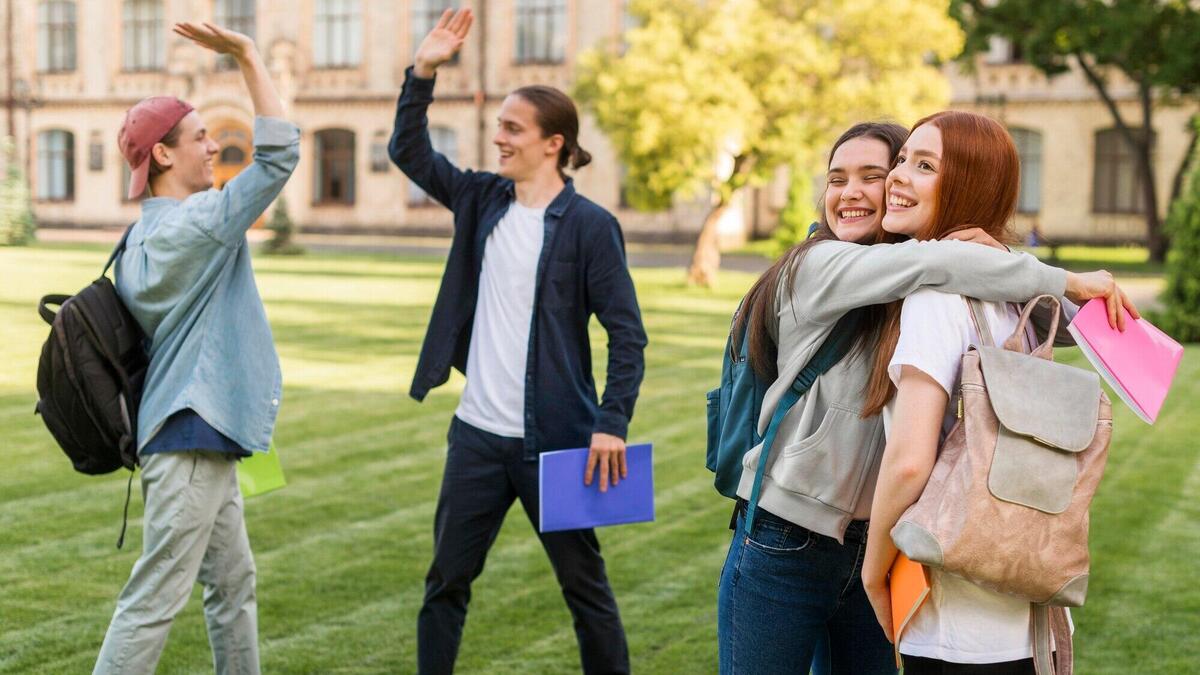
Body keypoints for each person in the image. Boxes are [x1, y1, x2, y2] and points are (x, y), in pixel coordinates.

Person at [716, 120, 1135, 675]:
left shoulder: (917, 282)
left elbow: (1051, 327)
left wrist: (994, 259)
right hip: (786, 541)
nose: (855, 192)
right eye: (837, 178)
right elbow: (933, 262)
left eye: (875, 173)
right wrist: (1063, 278)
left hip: (883, 543)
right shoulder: (816, 265)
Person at [392, 9, 647, 674]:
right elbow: (409, 152)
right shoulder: (481, 199)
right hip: (476, 436)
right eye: (499, 126)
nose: (498, 138)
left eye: (512, 128)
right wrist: (423, 71)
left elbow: (628, 336)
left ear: (553, 143)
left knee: (585, 591)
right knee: (445, 582)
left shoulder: (591, 227)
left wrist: (611, 423)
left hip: (558, 442)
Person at [860, 111, 1117, 674]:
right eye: (903, 159)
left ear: (966, 187)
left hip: (952, 614)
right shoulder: (1021, 306)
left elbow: (908, 463)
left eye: (924, 166)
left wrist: (872, 569)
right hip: (1030, 610)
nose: (898, 176)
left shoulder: (936, 301)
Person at [93, 21, 298, 675]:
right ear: (160, 155)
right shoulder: (197, 226)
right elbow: (278, 156)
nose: (213, 147)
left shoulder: (142, 239)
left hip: (197, 434)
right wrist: (248, 55)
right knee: (153, 601)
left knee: (233, 587)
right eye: (200, 137)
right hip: (189, 438)